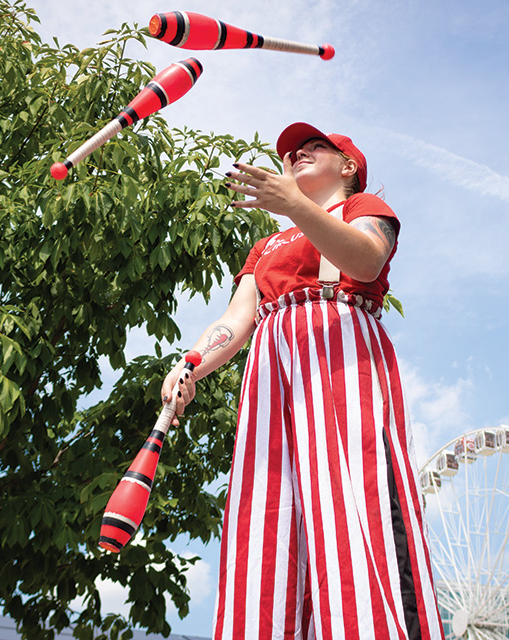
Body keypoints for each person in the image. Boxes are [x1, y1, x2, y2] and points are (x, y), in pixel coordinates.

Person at [161, 123, 445, 640]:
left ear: (349, 167)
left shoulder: (364, 212)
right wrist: (191, 363)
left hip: (340, 355)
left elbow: (365, 258)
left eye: (315, 148)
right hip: (269, 370)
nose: (297, 154)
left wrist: (294, 206)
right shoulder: (265, 245)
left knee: (360, 510)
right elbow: (238, 319)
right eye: (292, 152)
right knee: (262, 521)